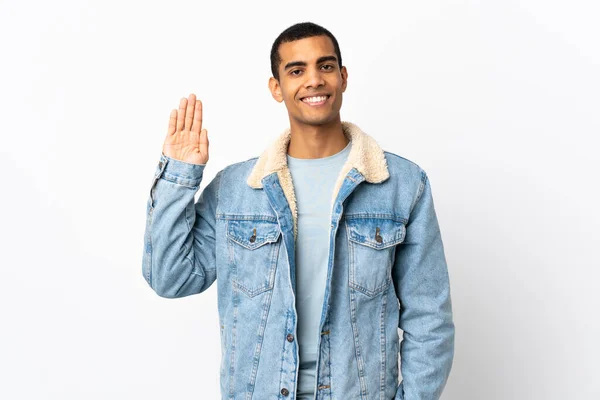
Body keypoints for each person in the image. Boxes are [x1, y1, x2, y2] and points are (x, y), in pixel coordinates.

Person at [142, 21, 454, 400]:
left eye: (325, 66)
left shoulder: (401, 184)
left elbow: (430, 319)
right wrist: (179, 176)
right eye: (296, 70)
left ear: (342, 76)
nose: (314, 80)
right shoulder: (236, 190)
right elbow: (170, 278)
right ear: (277, 88)